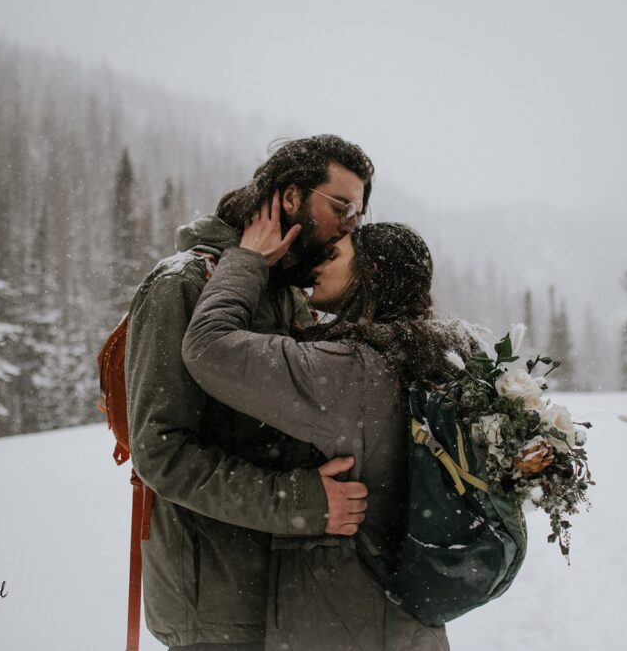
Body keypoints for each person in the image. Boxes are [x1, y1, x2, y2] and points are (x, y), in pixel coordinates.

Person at [181, 197, 478, 651]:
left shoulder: (351, 371)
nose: (319, 262)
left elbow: (208, 348)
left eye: (335, 254)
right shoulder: (427, 359)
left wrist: (246, 261)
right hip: (407, 624)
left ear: (371, 273)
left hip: (343, 620)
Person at [126, 135, 376, 650]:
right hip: (216, 614)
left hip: (288, 602)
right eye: (342, 206)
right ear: (289, 198)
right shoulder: (183, 283)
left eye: (361, 211)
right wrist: (299, 501)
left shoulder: (288, 296)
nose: (354, 223)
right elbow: (161, 451)